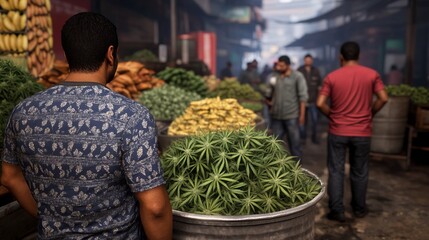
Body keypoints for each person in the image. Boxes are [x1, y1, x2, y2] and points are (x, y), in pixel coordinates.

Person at [1, 12, 172, 239]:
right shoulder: (131, 116)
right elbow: (155, 208)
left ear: (68, 54)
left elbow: (9, 176)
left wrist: (49, 218)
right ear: (111, 54)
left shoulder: (23, 112)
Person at [316, 41, 388, 222]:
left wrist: (332, 115)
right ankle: (359, 208)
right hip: (362, 132)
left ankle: (337, 211)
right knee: (360, 171)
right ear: (359, 56)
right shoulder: (372, 75)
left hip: (338, 131)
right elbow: (383, 98)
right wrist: (370, 113)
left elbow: (319, 103)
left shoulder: (332, 77)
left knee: (336, 170)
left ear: (340, 57)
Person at [267, 55, 308, 157]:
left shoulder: (297, 76)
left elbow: (303, 97)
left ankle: (297, 169)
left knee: (295, 145)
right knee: (274, 145)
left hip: (291, 116)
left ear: (288, 65)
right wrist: (270, 104)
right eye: (278, 65)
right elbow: (269, 93)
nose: (279, 67)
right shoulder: (275, 76)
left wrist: (302, 116)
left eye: (282, 65)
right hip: (277, 116)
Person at [298, 54, 322, 144]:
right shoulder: (299, 71)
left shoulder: (316, 71)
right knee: (302, 121)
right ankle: (303, 138)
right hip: (301, 101)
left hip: (313, 101)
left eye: (310, 60)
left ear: (312, 61)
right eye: (306, 60)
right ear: (304, 61)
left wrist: (319, 99)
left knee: (315, 121)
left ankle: (314, 138)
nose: (308, 61)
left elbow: (320, 86)